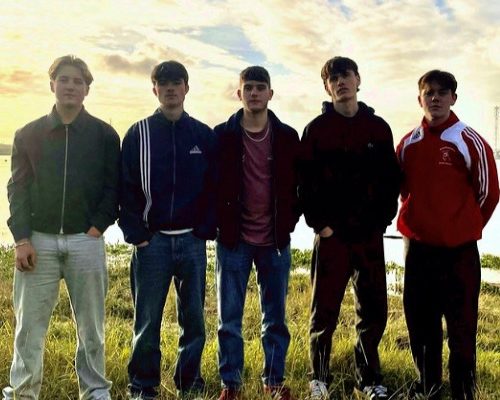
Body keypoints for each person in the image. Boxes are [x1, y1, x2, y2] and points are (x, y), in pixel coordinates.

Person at [2, 55, 120, 400]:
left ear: (87, 89)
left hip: (86, 240)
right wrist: (22, 238)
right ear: (52, 84)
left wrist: (97, 226)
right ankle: (23, 392)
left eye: (78, 81)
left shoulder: (104, 135)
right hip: (38, 241)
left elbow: (113, 186)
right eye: (64, 80)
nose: (71, 86)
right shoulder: (28, 134)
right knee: (29, 326)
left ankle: (95, 391)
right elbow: (17, 189)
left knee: (92, 327)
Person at [299, 56, 400, 400]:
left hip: (368, 236)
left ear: (358, 80)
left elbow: (391, 180)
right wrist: (321, 225)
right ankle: (319, 378)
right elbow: (304, 184)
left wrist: (382, 220)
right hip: (331, 238)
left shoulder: (378, 128)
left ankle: (368, 380)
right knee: (323, 312)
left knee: (372, 311)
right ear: (327, 87)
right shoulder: (316, 129)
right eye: (333, 78)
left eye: (346, 75)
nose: (340, 82)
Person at [397, 70, 499, 400]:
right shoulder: (408, 143)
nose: (435, 98)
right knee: (421, 324)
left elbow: (488, 193)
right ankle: (428, 388)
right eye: (429, 93)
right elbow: (404, 192)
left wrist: (462, 226)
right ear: (420, 99)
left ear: (453, 98)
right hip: (418, 250)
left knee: (461, 327)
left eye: (442, 93)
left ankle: (463, 392)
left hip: (459, 252)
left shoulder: (469, 140)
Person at [119, 60, 216, 400]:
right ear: (155, 90)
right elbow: (126, 187)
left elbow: (214, 187)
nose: (171, 88)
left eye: (177, 82)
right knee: (147, 321)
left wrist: (205, 228)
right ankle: (143, 386)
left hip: (192, 242)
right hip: (152, 244)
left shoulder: (202, 135)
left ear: (186, 88)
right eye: (164, 83)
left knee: (194, 320)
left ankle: (189, 383)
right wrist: (137, 234)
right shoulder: (139, 133)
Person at [214, 66, 301, 400]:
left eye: (260, 87)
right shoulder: (222, 136)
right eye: (248, 87)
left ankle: (274, 381)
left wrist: (289, 221)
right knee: (229, 319)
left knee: (275, 318)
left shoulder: (287, 137)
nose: (253, 93)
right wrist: (219, 223)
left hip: (274, 241)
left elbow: (300, 184)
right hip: (233, 241)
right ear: (239, 93)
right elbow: (210, 184)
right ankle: (231, 384)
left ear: (270, 94)